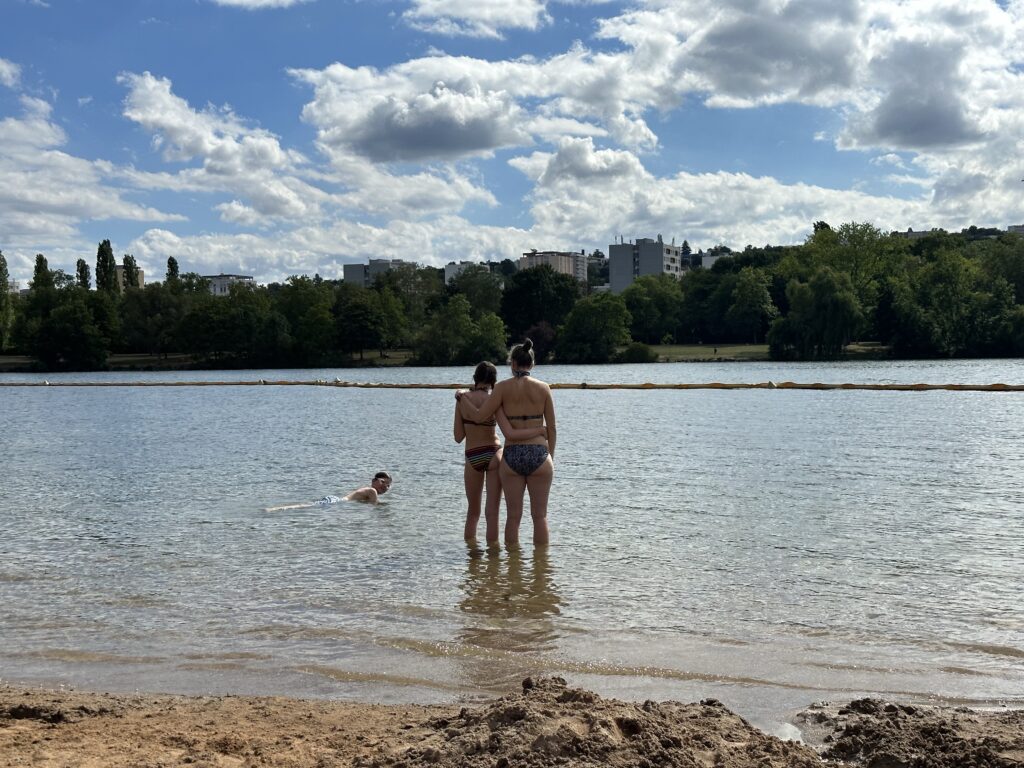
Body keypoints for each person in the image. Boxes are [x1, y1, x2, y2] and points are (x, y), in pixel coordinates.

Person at [456, 339, 556, 546]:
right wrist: (550, 457)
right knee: (540, 517)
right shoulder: (544, 388)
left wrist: (462, 396)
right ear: (532, 364)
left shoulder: (501, 388)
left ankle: (510, 564)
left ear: (512, 363)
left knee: (513, 517)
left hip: (511, 456)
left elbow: (480, 416)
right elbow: (552, 429)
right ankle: (541, 565)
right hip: (539, 454)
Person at [265, 471, 392, 511]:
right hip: (337, 502)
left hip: (336, 500)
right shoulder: (372, 491)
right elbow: (375, 506)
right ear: (374, 481)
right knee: (304, 506)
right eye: (382, 482)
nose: (385, 487)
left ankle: (276, 509)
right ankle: (274, 509)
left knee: (307, 506)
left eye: (388, 485)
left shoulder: (367, 490)